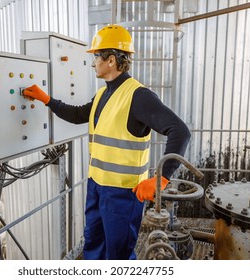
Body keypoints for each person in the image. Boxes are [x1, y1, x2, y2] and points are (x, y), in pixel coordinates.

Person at [23, 24, 191, 260]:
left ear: (111, 60)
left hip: (123, 193)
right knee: (93, 246)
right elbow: (78, 114)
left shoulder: (138, 96)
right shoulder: (103, 94)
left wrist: (161, 179)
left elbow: (180, 131)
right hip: (96, 186)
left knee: (118, 254)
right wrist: (47, 99)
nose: (93, 62)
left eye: (96, 57)